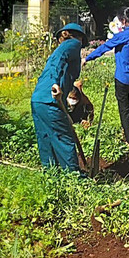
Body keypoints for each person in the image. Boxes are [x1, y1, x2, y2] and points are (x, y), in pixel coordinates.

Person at [82, 7, 129, 144]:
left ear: (123, 21)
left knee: (123, 107)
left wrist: (87, 58)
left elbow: (104, 47)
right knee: (126, 102)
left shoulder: (123, 36)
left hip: (123, 78)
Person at [31, 23, 87, 172]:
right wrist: (55, 83)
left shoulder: (59, 49)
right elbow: (58, 64)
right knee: (63, 139)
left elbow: (61, 70)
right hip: (50, 99)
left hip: (38, 99)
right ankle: (74, 179)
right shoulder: (73, 43)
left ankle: (51, 175)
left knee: (46, 139)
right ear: (79, 37)